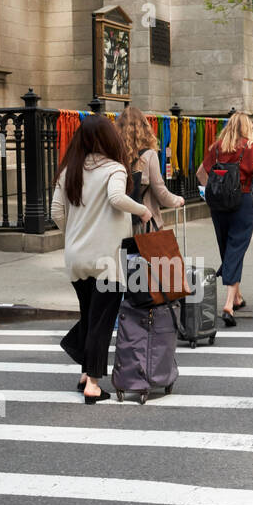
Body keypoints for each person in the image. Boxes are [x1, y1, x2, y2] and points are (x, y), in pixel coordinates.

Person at [50, 115, 151, 403]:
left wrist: (73, 235)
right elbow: (117, 198)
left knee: (90, 314)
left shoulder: (68, 170)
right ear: (109, 139)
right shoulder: (115, 169)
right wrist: (142, 210)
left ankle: (84, 371)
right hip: (107, 259)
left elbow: (57, 212)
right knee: (100, 321)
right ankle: (93, 383)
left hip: (76, 257)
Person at [196, 112, 253, 326]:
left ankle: (237, 297)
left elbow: (201, 172)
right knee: (236, 249)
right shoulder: (249, 146)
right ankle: (228, 305)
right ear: (246, 127)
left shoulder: (217, 147)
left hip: (218, 206)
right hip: (241, 202)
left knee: (227, 248)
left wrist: (209, 193)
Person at [115, 106, 185, 230]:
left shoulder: (115, 154)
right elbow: (161, 192)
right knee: (147, 250)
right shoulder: (149, 155)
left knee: (126, 250)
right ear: (144, 128)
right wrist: (177, 200)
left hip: (119, 223)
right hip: (144, 223)